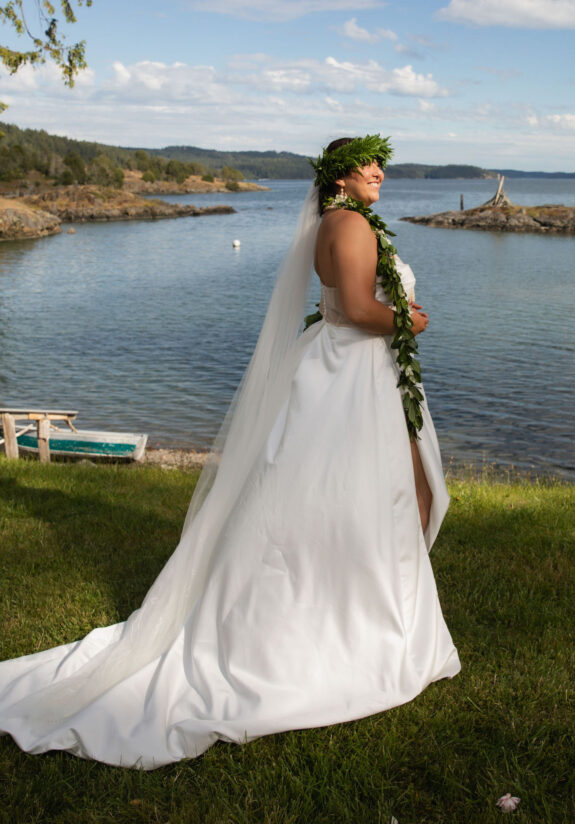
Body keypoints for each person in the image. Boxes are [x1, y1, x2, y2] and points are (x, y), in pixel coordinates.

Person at [0, 134, 460, 770]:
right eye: (367, 163)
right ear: (340, 175)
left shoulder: (339, 219)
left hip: (347, 370)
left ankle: (372, 606)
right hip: (353, 374)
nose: (379, 171)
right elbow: (355, 309)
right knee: (361, 494)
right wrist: (411, 321)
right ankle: (362, 626)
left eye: (380, 162)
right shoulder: (351, 224)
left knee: (356, 493)